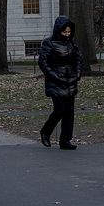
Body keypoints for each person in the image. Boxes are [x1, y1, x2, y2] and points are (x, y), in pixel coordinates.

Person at [37, 15, 81, 150]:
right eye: (64, 32)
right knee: (60, 110)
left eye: (69, 32)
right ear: (58, 30)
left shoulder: (71, 43)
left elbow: (78, 59)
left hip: (70, 81)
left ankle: (65, 140)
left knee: (69, 112)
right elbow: (43, 62)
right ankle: (46, 132)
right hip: (56, 81)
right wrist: (54, 75)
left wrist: (77, 74)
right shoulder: (49, 43)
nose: (67, 34)